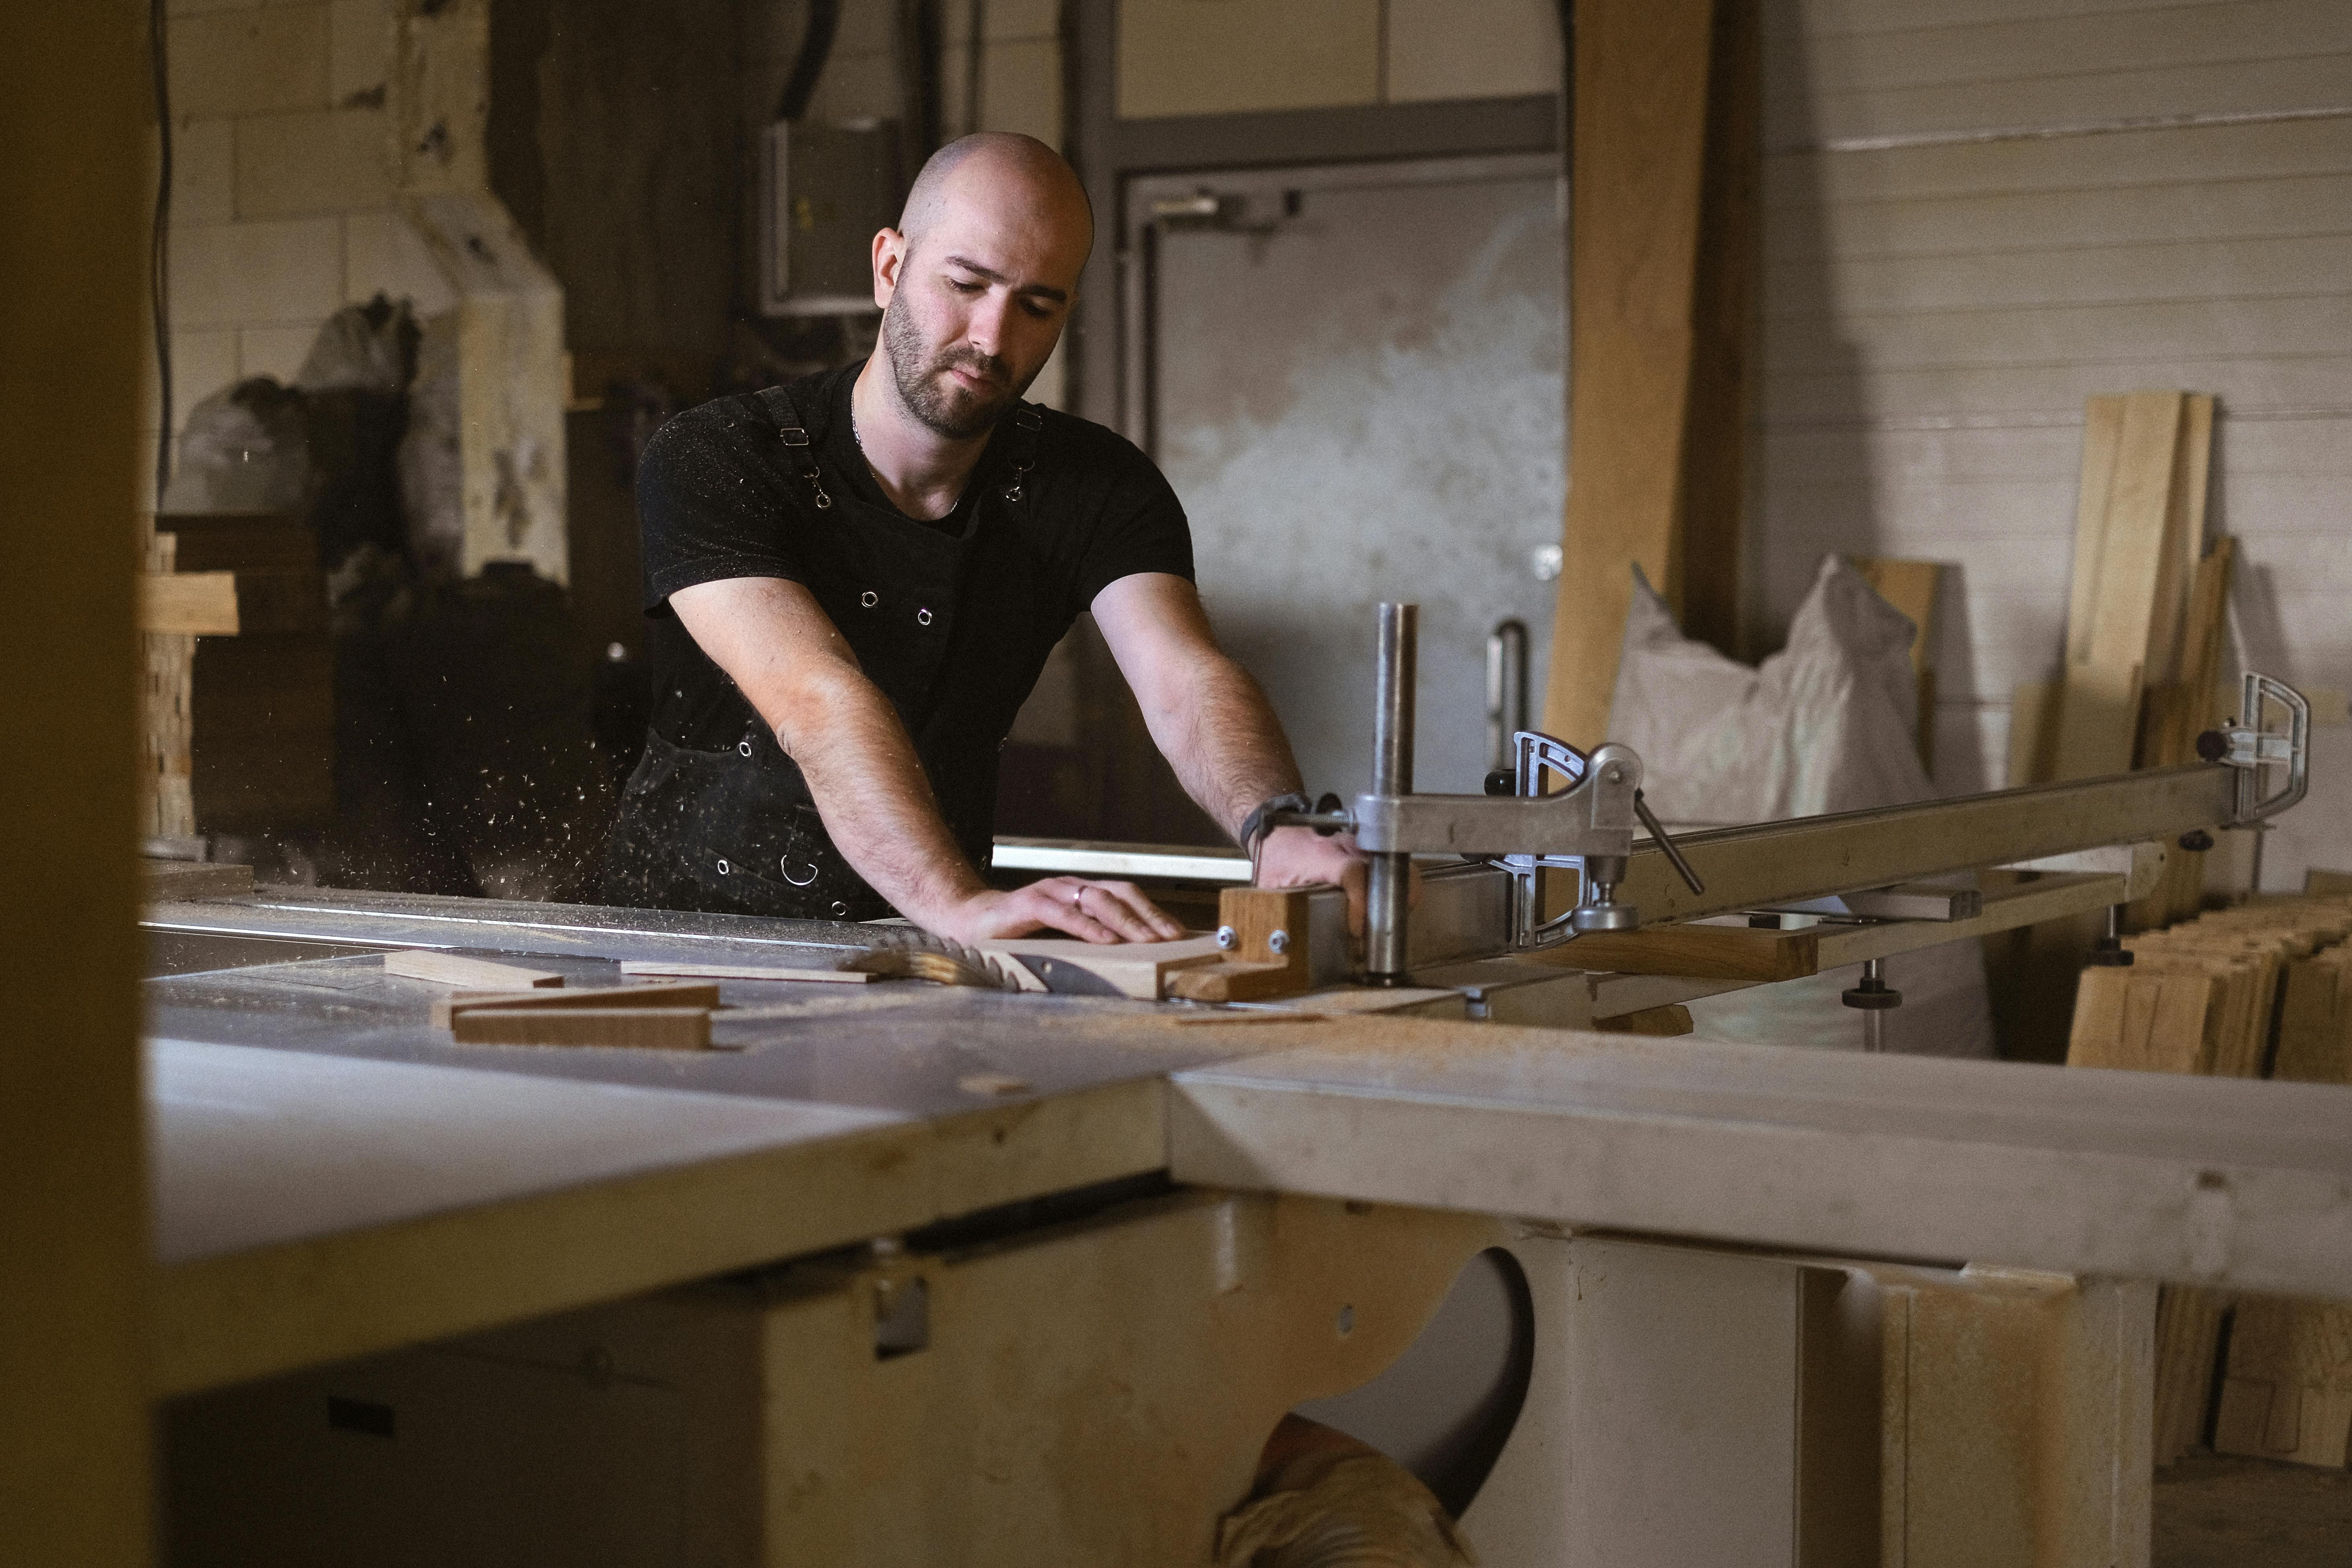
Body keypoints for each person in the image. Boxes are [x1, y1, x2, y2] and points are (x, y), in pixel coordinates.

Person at [602, 132, 1363, 943]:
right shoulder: (718, 455)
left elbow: (1184, 680)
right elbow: (813, 697)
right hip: (671, 955)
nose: (993, 339)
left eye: (1037, 306)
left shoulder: (1093, 484)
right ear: (889, 266)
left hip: (934, 960)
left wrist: (1275, 825)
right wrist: (956, 903)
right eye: (965, 285)